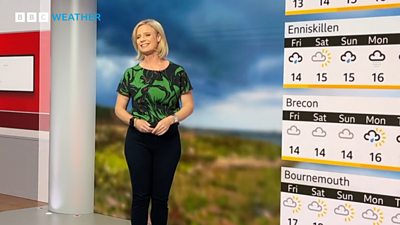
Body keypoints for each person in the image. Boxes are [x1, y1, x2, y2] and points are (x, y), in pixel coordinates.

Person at [114, 19, 194, 225]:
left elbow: (188, 106)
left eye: (147, 35)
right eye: (138, 37)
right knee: (140, 198)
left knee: (160, 199)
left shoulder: (178, 72)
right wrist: (134, 121)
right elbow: (119, 109)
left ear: (159, 38)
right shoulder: (131, 74)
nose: (142, 40)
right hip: (137, 141)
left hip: (168, 142)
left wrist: (171, 119)